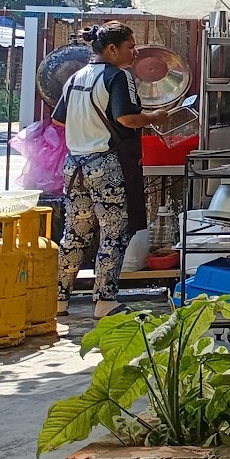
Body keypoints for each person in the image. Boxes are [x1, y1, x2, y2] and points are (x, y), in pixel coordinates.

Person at [55, 23, 169, 315]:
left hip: (74, 166)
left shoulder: (75, 77)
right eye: (130, 46)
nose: (135, 52)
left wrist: (85, 130)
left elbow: (59, 120)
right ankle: (105, 301)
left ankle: (58, 299)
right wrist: (155, 116)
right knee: (113, 233)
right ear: (112, 49)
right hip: (105, 165)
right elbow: (127, 118)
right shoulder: (118, 77)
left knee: (75, 234)